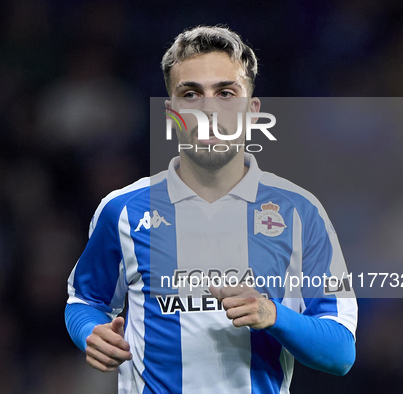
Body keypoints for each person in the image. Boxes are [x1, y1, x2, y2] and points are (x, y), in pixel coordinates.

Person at [65, 25, 357, 394]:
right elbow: (85, 300)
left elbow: (341, 351)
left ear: (252, 112)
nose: (208, 110)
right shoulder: (122, 210)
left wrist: (272, 314)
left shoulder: (301, 213)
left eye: (225, 93)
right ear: (171, 113)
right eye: (191, 94)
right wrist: (91, 333)